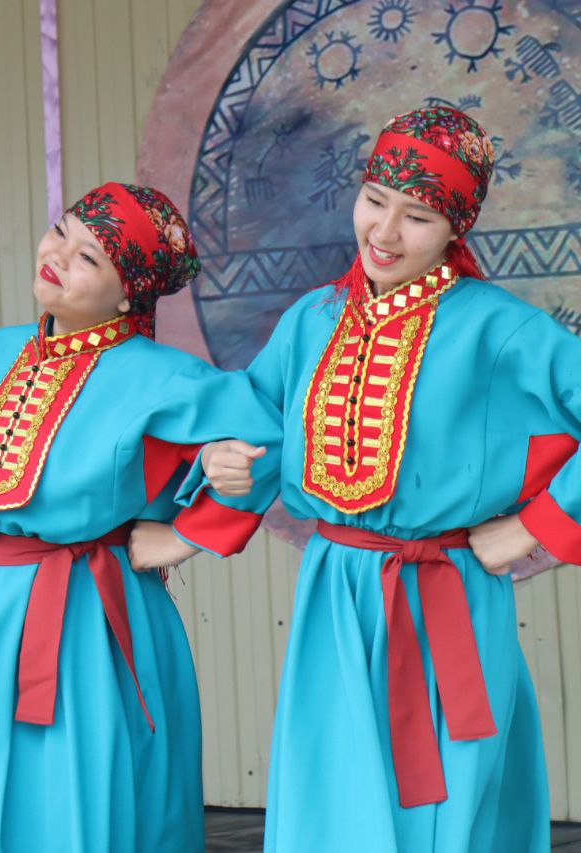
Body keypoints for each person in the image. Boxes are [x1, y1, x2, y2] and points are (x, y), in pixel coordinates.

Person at [166, 106, 563, 851]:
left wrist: (533, 526)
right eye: (375, 200)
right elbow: (254, 423)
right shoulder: (313, 319)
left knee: (447, 807)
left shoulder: (499, 327)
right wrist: (219, 461)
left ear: (456, 228)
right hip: (335, 593)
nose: (384, 231)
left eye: (417, 216)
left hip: (447, 596)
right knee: (333, 799)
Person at [0, 182, 281, 852]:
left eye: (89, 257)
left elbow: (265, 440)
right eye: (60, 232)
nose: (58, 256)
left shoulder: (165, 376)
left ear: (130, 295)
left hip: (94, 615)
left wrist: (186, 534)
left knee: (86, 788)